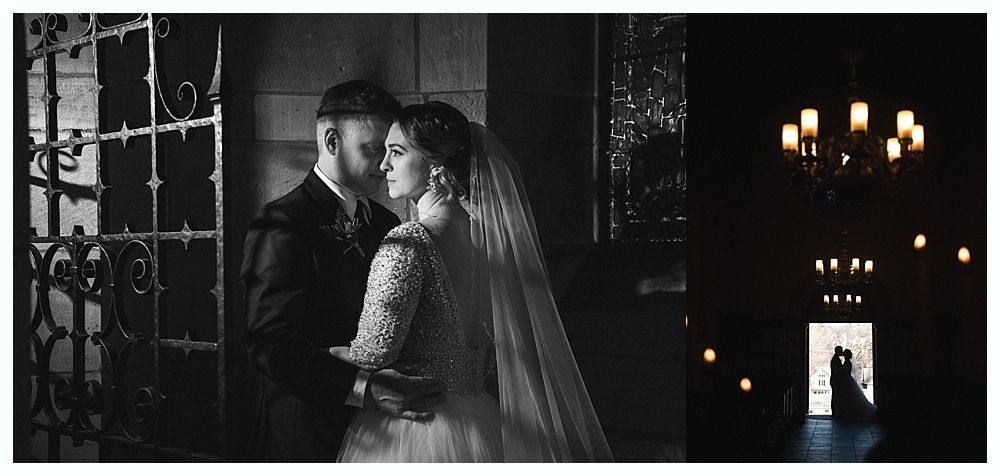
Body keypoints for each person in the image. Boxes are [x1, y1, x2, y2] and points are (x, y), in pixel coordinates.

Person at [329, 101, 615, 462]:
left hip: (413, 430)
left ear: (435, 166)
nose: (383, 164)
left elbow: (373, 354)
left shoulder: (407, 244)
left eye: (396, 152)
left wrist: (319, 354)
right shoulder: (496, 240)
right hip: (482, 423)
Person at [241, 80, 445, 461]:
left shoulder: (385, 221)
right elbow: (269, 343)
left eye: (391, 151)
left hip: (386, 434)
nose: (386, 165)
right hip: (309, 435)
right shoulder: (283, 221)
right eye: (373, 150)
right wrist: (363, 387)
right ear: (332, 141)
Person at [837, 349, 877, 421]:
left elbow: (846, 372)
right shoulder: (847, 362)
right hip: (848, 380)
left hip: (846, 380)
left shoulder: (847, 362)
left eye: (845, 354)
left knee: (849, 397)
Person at [829, 346, 844, 418]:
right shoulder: (836, 360)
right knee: (835, 396)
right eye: (841, 350)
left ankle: (835, 411)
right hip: (836, 380)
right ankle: (834, 412)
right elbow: (837, 371)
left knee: (835, 396)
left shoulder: (836, 359)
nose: (842, 352)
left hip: (835, 380)